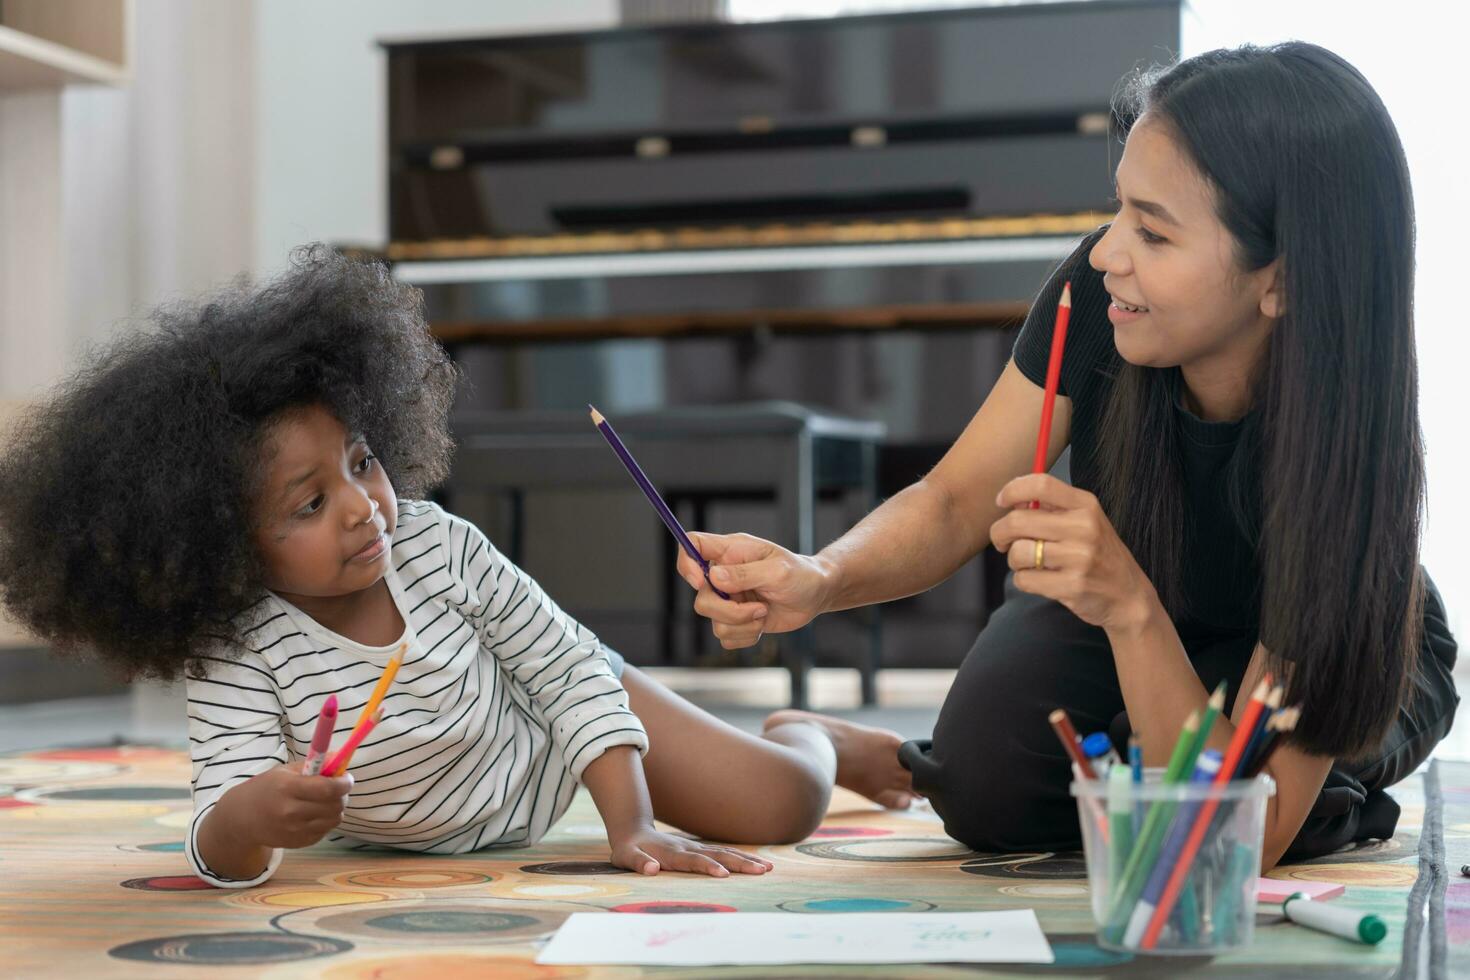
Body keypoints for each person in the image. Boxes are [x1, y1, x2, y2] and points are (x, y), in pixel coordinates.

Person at [677, 43, 1459, 867]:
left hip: (1317, 633)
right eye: (1120, 208)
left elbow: (1232, 838)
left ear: (1282, 280)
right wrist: (821, 577)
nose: (1105, 252)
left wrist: (1131, 610)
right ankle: (902, 757)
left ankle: (1309, 787)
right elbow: (954, 499)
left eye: (1153, 232)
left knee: (1249, 803)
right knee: (985, 789)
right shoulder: (1100, 301)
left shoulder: (1342, 465)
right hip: (1143, 597)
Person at [0, 248, 859, 888]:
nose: (361, 506)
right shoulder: (238, 648)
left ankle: (817, 734)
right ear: (222, 543)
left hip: (557, 723)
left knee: (784, 807)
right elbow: (223, 835)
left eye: (363, 460)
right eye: (307, 504)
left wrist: (630, 827)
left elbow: (566, 676)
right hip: (440, 812)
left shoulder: (434, 543)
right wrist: (251, 818)